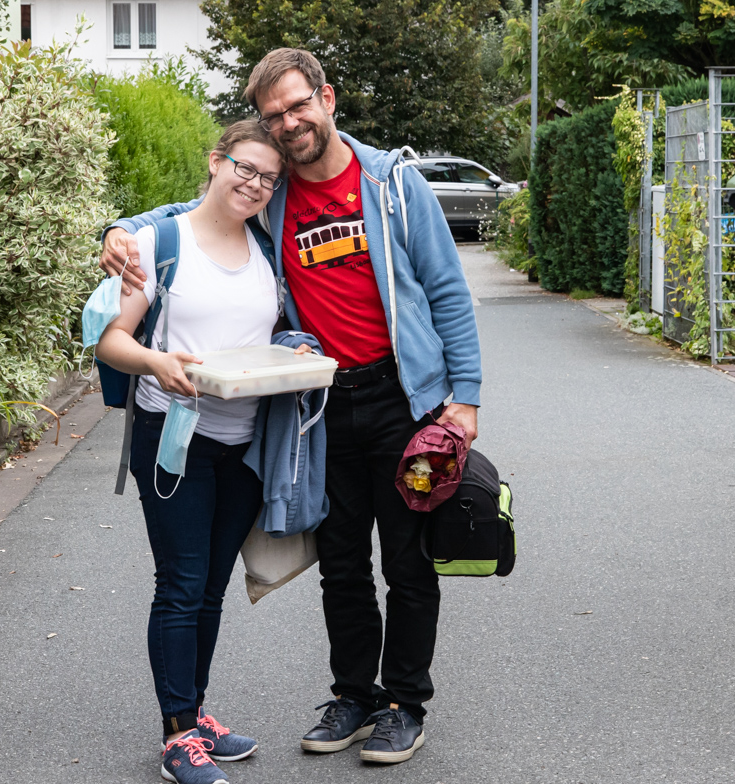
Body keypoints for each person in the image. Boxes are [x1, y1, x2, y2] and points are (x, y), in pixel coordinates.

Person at [100, 48, 482, 766]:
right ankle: (354, 696)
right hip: (319, 407)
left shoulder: (392, 184)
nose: (288, 122)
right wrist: (115, 229)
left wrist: (464, 401)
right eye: (274, 116)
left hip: (405, 401)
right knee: (339, 560)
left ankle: (404, 703)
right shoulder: (271, 193)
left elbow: (448, 293)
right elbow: (186, 212)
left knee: (406, 561)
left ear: (327, 98)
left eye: (298, 105)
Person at [95, 120, 295, 784]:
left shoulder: (267, 248)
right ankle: (177, 734)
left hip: (244, 444)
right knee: (180, 586)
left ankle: (197, 711)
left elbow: (273, 328)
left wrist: (293, 348)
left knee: (210, 588)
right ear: (215, 162)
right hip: (173, 437)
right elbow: (109, 339)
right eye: (245, 168)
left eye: (269, 178)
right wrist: (155, 362)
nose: (255, 184)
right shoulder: (159, 241)